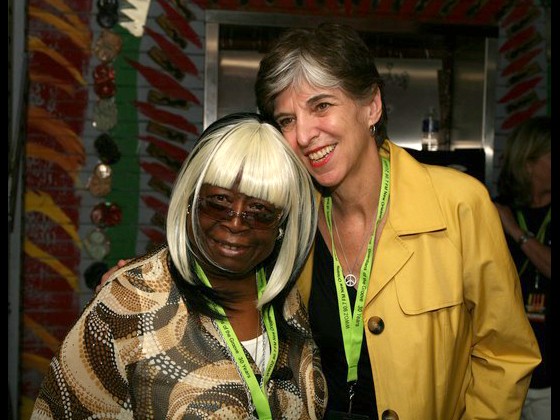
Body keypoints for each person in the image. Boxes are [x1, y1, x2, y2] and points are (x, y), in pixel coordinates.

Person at [100, 23, 541, 419]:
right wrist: (151, 279)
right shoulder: (288, 213)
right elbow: (222, 254)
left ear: (371, 107)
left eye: (322, 106)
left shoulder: (459, 204)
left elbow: (506, 354)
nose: (305, 135)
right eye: (287, 119)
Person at [30, 112, 327, 419]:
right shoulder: (127, 303)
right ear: (190, 203)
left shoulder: (290, 304)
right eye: (219, 202)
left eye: (260, 210)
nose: (236, 223)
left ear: (280, 225)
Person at [493, 115, 551, 420]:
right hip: (505, 378)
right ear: (528, 163)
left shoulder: (509, 220)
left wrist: (518, 232)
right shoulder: (497, 210)